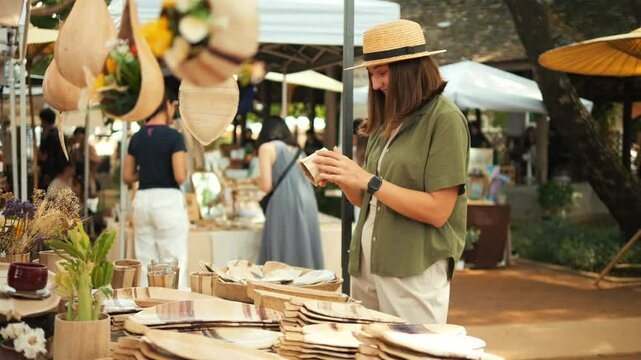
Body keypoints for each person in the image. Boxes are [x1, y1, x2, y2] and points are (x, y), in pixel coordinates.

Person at [313, 19, 470, 324]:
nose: (375, 84)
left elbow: (439, 210)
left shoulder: (445, 119)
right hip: (367, 265)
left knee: (411, 351)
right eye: (372, 74)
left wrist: (367, 179)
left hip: (414, 268)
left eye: (382, 73)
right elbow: (366, 199)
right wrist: (343, 174)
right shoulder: (385, 120)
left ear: (410, 70)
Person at [123, 85, 188, 287]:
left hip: (142, 200)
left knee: (145, 260)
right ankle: (174, 306)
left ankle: (144, 308)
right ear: (168, 105)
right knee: (172, 260)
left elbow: (127, 175)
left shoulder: (137, 137)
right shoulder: (174, 137)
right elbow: (180, 175)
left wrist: (146, 171)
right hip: (168, 200)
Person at [256, 116, 324, 269]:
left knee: (282, 249)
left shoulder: (267, 148)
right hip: (308, 203)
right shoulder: (298, 150)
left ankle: (281, 289)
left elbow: (266, 186)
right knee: (303, 247)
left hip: (284, 202)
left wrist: (257, 181)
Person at [39, 108, 67, 189]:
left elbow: (45, 157)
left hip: (51, 174)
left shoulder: (50, 137)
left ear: (44, 121)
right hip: (60, 173)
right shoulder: (60, 134)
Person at [70, 127, 101, 199]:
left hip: (88, 176)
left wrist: (87, 156)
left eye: (80, 137)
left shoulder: (89, 148)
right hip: (78, 177)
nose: (78, 140)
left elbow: (98, 160)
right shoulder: (76, 149)